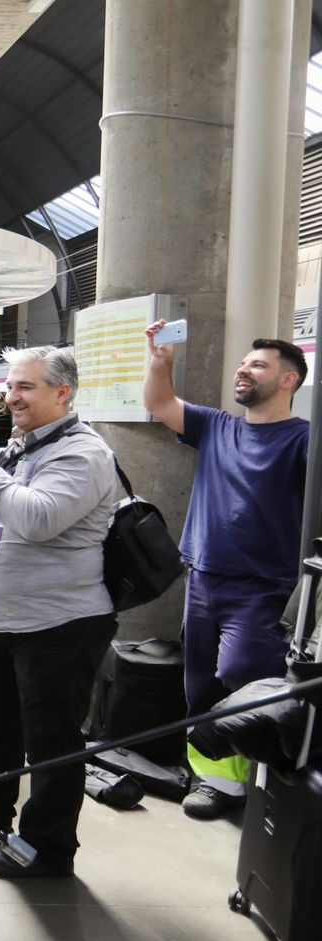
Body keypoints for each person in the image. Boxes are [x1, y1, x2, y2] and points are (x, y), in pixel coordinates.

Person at [0, 347, 120, 878]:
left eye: (26, 388)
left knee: (52, 740)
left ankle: (48, 848)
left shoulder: (82, 454)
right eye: (11, 386)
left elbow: (38, 519)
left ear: (62, 392)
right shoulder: (16, 448)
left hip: (58, 624)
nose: (11, 397)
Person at [143, 322, 310, 819]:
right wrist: (161, 362)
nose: (243, 369)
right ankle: (212, 778)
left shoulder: (305, 440)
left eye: (257, 365)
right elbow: (160, 405)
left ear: (287, 381)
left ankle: (249, 781)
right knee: (200, 687)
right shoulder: (218, 425)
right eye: (243, 363)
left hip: (264, 587)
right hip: (203, 577)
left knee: (243, 677)